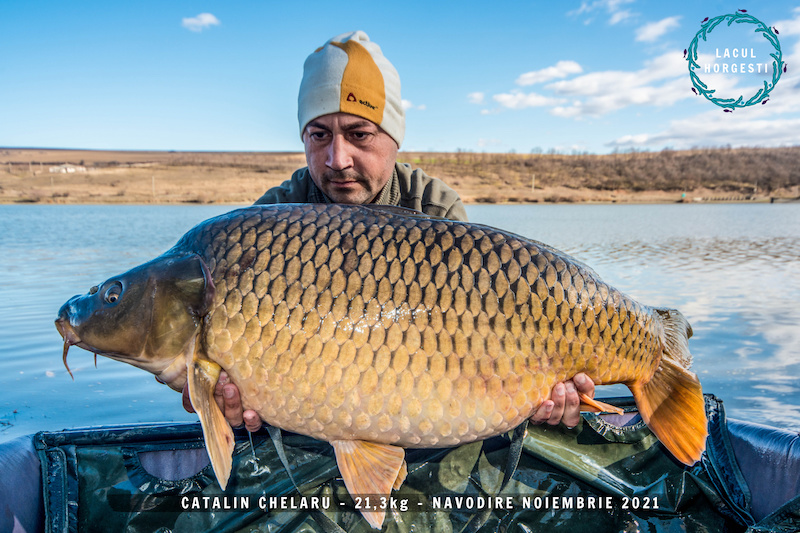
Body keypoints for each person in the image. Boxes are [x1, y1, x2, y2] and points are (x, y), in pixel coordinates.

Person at [182, 30, 595, 433]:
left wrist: (530, 394)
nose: (337, 158)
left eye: (359, 134)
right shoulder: (265, 224)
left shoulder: (436, 211)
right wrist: (214, 397)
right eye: (319, 135)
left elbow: (475, 350)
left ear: (394, 138)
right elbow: (207, 376)